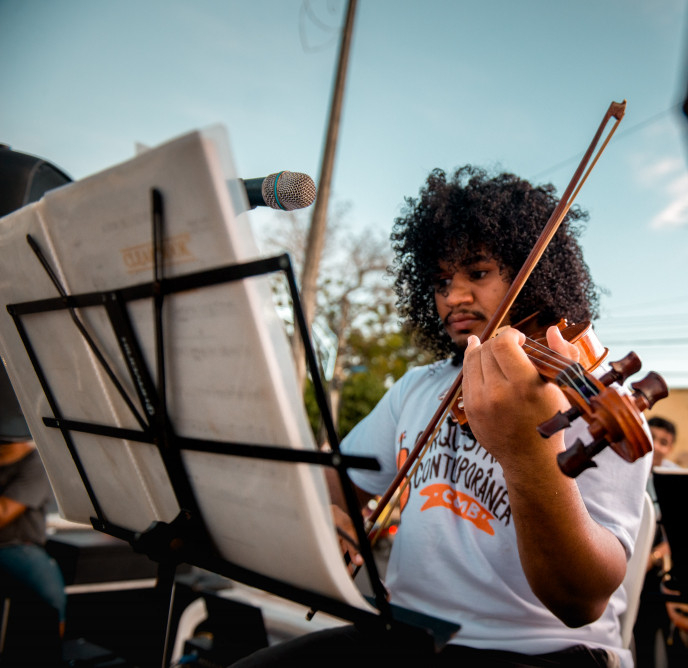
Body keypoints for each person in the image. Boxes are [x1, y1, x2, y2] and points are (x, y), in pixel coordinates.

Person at [233, 165, 652, 668]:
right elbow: (336, 483)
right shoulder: (419, 386)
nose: (454, 296)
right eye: (440, 281)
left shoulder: (587, 397)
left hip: (541, 652)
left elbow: (579, 602)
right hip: (406, 634)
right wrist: (339, 514)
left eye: (477, 273)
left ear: (532, 274)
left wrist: (526, 451)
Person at [0, 438, 67, 655]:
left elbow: (3, 513)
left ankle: (51, 653)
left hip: (18, 546)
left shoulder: (36, 464)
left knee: (52, 599)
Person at [632, 416, 676, 668]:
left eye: (664, 442)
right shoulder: (625, 470)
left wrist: (652, 559)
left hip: (652, 573)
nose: (656, 446)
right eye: (652, 436)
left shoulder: (673, 478)